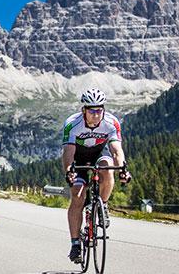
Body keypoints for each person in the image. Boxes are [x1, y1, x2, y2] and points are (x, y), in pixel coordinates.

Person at [62, 88, 132, 264]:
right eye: (91, 110)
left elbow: (116, 150)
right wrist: (69, 170)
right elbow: (68, 152)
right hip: (78, 159)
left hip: (99, 155)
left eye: (99, 110)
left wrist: (123, 168)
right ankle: (75, 244)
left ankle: (104, 206)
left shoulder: (111, 122)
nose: (95, 114)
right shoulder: (72, 123)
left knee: (108, 168)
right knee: (77, 196)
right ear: (83, 110)